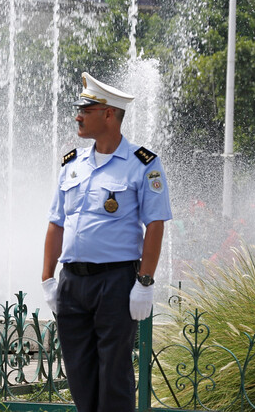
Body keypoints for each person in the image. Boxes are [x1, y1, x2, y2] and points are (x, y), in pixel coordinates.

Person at [41, 72, 172, 412]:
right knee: (80, 374)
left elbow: (155, 224)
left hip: (115, 281)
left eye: (86, 108)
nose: (78, 115)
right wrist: (47, 278)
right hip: (72, 281)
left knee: (113, 376)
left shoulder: (143, 164)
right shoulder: (72, 164)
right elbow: (56, 223)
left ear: (109, 114)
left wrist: (144, 282)